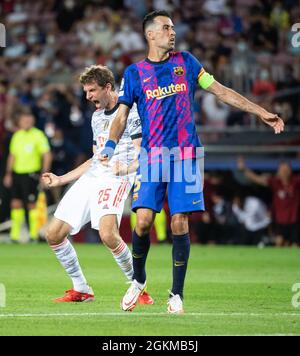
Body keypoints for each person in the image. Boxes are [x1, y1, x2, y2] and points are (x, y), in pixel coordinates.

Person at [100, 10, 284, 314]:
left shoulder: (187, 62)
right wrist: (109, 144)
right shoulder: (134, 73)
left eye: (173, 27)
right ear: (150, 34)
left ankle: (176, 294)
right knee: (143, 221)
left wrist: (260, 111)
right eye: (166, 28)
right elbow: (121, 114)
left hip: (186, 154)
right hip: (153, 155)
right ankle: (138, 279)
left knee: (179, 221)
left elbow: (221, 90)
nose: (172, 32)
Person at [42, 65, 153, 304]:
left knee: (108, 235)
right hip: (94, 177)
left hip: (118, 177)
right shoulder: (95, 117)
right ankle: (81, 288)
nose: (88, 96)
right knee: (53, 234)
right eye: (86, 91)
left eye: (92, 90)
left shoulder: (131, 113)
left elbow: (141, 154)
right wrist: (61, 179)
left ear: (108, 87)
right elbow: (96, 159)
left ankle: (139, 287)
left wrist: (124, 169)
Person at [3, 107, 52, 243]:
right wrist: (8, 174)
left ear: (33, 121)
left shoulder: (38, 135)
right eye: (24, 121)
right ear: (19, 122)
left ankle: (33, 235)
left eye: (29, 120)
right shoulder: (17, 136)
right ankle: (14, 236)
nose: (27, 123)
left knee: (31, 205)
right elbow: (12, 156)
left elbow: (47, 155)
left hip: (31, 174)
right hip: (17, 174)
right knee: (15, 203)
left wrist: (44, 173)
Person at [237, 157, 300, 246]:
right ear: (278, 171)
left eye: (286, 169)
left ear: (290, 170)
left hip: (295, 220)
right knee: (279, 243)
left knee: (295, 247)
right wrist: (244, 169)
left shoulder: (296, 182)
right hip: (280, 221)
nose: (284, 172)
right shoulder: (275, 182)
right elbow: (257, 179)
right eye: (282, 169)